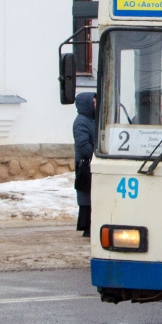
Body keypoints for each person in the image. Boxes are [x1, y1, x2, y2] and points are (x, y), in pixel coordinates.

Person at [73, 92, 97, 236]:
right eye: (93, 102)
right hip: (86, 166)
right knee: (87, 195)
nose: (96, 105)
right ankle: (87, 227)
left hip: (90, 164)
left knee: (92, 195)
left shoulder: (93, 120)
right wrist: (96, 155)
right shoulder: (81, 122)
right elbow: (83, 146)